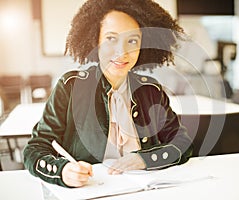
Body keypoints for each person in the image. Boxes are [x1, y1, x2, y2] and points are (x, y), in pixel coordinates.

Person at [23, 0, 193, 188]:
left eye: (132, 41)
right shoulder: (70, 87)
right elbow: (35, 149)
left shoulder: (151, 91)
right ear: (94, 39)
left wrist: (146, 159)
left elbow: (182, 142)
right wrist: (62, 171)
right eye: (111, 39)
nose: (122, 52)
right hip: (89, 192)